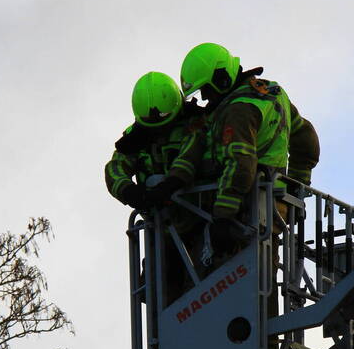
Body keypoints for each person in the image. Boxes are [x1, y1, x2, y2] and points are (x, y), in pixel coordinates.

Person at [179, 42, 320, 253]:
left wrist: (223, 217)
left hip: (241, 217)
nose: (206, 98)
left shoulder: (238, 110)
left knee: (229, 280)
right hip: (271, 210)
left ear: (222, 78)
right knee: (265, 276)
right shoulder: (272, 94)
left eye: (206, 89)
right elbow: (306, 139)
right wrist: (296, 190)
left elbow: (241, 162)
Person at [105, 71, 207, 304]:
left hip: (201, 223)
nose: (160, 131)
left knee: (203, 293)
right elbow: (114, 169)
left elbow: (190, 156)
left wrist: (170, 185)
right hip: (161, 231)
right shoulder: (136, 138)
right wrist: (130, 192)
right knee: (156, 295)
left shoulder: (196, 123)